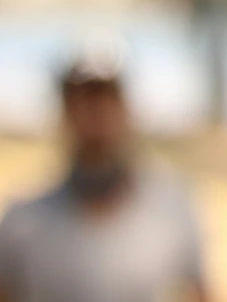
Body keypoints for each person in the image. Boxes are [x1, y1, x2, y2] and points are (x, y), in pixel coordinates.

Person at [0, 55, 208, 302]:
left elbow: (202, 292)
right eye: (83, 104)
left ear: (126, 111)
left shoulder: (172, 208)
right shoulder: (22, 221)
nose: (96, 119)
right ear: (65, 115)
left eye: (107, 102)